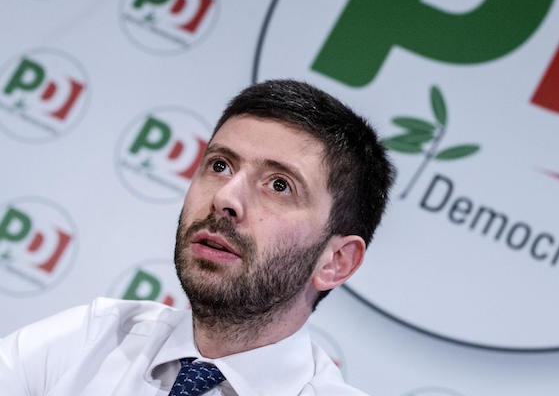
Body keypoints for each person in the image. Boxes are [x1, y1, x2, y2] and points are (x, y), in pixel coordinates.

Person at [0, 79, 395, 395]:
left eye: (279, 185)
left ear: (336, 262)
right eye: (220, 165)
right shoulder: (93, 339)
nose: (225, 198)